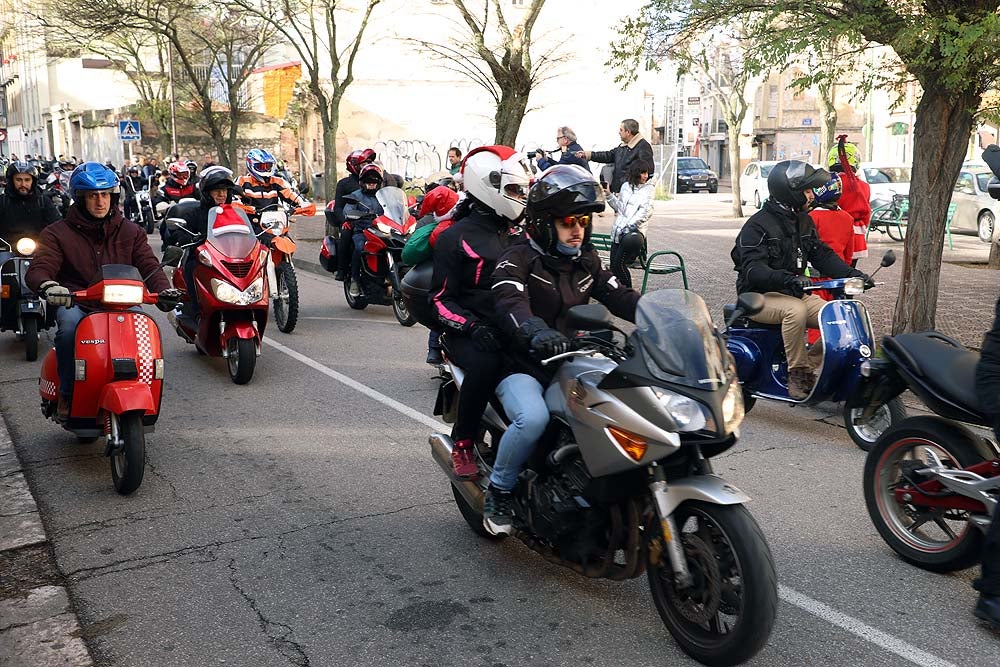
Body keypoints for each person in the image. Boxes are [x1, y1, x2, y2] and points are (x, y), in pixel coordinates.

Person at [483, 164, 640, 534]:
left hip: (575, 359)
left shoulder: (586, 260)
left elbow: (618, 294)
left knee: (626, 406)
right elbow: (510, 302)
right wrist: (536, 331)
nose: (577, 230)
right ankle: (500, 491)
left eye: (583, 222)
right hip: (524, 364)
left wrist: (662, 315)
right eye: (568, 221)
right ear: (544, 223)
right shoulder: (517, 258)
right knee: (533, 418)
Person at [25, 163, 179, 419]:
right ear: (80, 198)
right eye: (93, 195)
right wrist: (50, 285)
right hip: (76, 300)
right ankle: (67, 392)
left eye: (105, 194)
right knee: (69, 330)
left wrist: (164, 291)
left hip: (121, 300)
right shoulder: (57, 233)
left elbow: (149, 264)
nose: (100, 201)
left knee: (144, 332)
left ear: (114, 196)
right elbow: (41, 266)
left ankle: (143, 387)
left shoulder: (131, 231)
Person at [430, 145, 532, 478]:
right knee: (487, 362)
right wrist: (472, 328)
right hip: (469, 333)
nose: (519, 197)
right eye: (513, 190)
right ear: (489, 185)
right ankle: (463, 442)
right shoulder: (454, 237)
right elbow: (440, 299)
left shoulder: (517, 233)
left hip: (513, 325)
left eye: (520, 190)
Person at [730, 160, 870, 399]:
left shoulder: (802, 220)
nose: (811, 195)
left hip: (791, 291)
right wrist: (786, 279)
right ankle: (797, 372)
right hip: (757, 297)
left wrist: (852, 274)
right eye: (806, 191)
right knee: (795, 310)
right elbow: (753, 271)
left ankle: (812, 365)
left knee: (837, 316)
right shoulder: (757, 225)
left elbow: (822, 255)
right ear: (790, 192)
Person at [163, 165, 239, 326]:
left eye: (225, 190)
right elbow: (181, 232)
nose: (221, 194)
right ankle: (197, 313)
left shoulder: (235, 213)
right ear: (206, 192)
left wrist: (261, 236)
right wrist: (187, 237)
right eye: (216, 190)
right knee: (191, 268)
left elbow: (248, 231)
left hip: (229, 259)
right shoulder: (196, 213)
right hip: (203, 259)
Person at [412, 184, 459, 366]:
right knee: (447, 307)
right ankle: (434, 349)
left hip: (437, 275)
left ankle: (433, 350)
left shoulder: (429, 223)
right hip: (447, 275)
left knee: (442, 309)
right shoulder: (452, 225)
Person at [606, 159, 654, 288]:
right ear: (635, 173)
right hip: (618, 232)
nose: (645, 176)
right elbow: (619, 208)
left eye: (647, 173)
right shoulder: (625, 186)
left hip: (633, 234)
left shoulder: (649, 190)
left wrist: (627, 227)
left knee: (619, 265)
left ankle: (628, 294)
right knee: (614, 267)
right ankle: (618, 296)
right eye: (643, 173)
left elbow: (645, 213)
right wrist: (609, 195)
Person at [576, 118, 655, 194]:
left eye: (621, 130)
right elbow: (607, 155)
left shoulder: (643, 147)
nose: (619, 132)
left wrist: (634, 189)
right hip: (620, 191)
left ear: (628, 132)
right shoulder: (623, 147)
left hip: (632, 193)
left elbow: (648, 171)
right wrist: (588, 154)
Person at [332, 148, 375, 281]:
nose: (366, 167)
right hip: (353, 220)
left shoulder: (375, 179)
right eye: (363, 164)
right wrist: (344, 221)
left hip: (374, 221)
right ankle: (342, 269)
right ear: (354, 166)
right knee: (346, 233)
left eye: (368, 163)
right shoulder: (344, 184)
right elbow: (338, 206)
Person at [343, 163, 386, 298]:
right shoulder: (355, 196)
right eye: (368, 181)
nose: (371, 183)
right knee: (359, 248)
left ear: (379, 182)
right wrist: (352, 215)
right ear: (362, 182)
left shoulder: (383, 195)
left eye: (374, 181)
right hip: (363, 231)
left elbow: (396, 206)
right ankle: (354, 279)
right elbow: (347, 210)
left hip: (382, 231)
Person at [827, 136, 870, 267]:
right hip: (856, 234)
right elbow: (867, 213)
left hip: (832, 232)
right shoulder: (863, 186)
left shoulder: (828, 184)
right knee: (850, 272)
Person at [235, 148, 311, 216]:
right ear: (251, 165)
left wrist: (303, 204)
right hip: (250, 222)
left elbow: (290, 194)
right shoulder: (242, 181)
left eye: (268, 166)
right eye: (261, 167)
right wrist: (249, 209)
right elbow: (233, 201)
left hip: (273, 223)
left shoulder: (277, 181)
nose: (265, 170)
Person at [0, 161, 61, 241]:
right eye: (18, 180)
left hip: (40, 248)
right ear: (12, 181)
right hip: (8, 248)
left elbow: (56, 226)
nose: (23, 184)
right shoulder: (3, 201)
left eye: (27, 180)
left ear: (33, 181)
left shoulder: (43, 201)